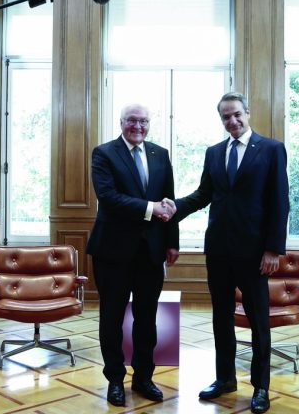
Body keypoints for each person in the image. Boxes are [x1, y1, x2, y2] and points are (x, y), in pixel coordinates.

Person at [173, 92, 289, 414]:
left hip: (255, 253)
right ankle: (224, 378)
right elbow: (203, 195)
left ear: (247, 113)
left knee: (258, 321)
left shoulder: (270, 149)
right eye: (225, 117)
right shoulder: (213, 153)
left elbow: (280, 202)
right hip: (219, 250)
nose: (232, 121)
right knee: (220, 317)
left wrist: (273, 249)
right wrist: (173, 208)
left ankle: (261, 387)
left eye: (236, 114)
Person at [86, 103, 179, 407]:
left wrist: (172, 242)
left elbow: (170, 201)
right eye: (132, 121)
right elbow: (109, 198)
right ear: (121, 122)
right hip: (112, 251)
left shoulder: (160, 154)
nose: (138, 126)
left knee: (146, 318)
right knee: (112, 318)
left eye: (144, 121)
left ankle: (143, 378)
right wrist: (151, 209)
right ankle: (115, 380)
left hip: (150, 252)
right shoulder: (104, 153)